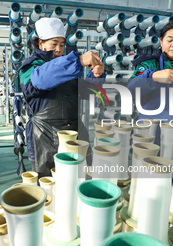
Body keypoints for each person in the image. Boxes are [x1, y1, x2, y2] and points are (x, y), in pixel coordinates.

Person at [18, 17, 105, 176]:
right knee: (50, 187)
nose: (59, 49)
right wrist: (77, 61)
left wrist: (97, 76)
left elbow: (87, 93)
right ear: (41, 43)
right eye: (54, 44)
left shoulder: (68, 69)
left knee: (80, 181)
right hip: (44, 141)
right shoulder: (30, 68)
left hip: (75, 135)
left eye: (62, 44)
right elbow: (41, 79)